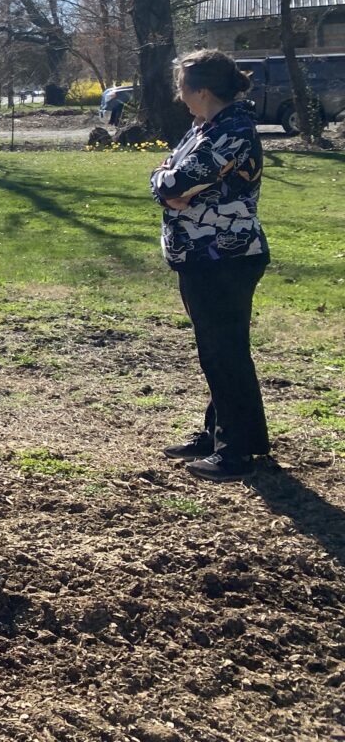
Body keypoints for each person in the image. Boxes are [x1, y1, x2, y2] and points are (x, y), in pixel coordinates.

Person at [149, 49, 270, 483]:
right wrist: (166, 183)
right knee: (219, 351)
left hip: (225, 257)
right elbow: (165, 177)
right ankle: (225, 435)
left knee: (223, 353)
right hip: (202, 255)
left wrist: (169, 184)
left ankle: (235, 453)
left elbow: (176, 180)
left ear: (201, 90)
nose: (178, 96)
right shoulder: (207, 126)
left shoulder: (231, 130)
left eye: (181, 87)